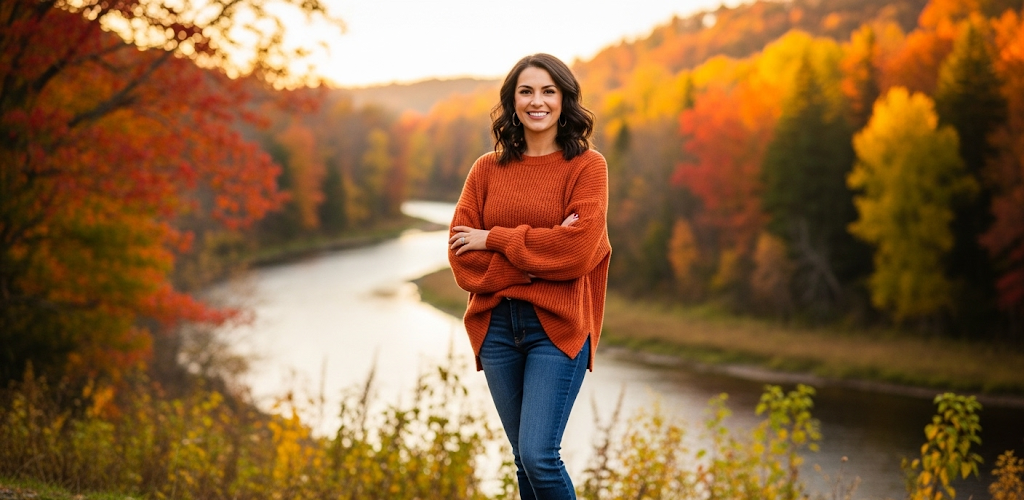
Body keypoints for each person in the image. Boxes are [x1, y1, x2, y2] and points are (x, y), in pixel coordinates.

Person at [447, 53, 611, 500]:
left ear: (564, 100)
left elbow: (576, 253)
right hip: (497, 327)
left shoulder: (587, 167)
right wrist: (540, 252)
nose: (537, 101)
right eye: (526, 91)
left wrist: (494, 238)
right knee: (521, 456)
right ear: (512, 101)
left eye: (548, 91)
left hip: (556, 327)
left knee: (539, 453)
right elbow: (462, 259)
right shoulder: (486, 169)